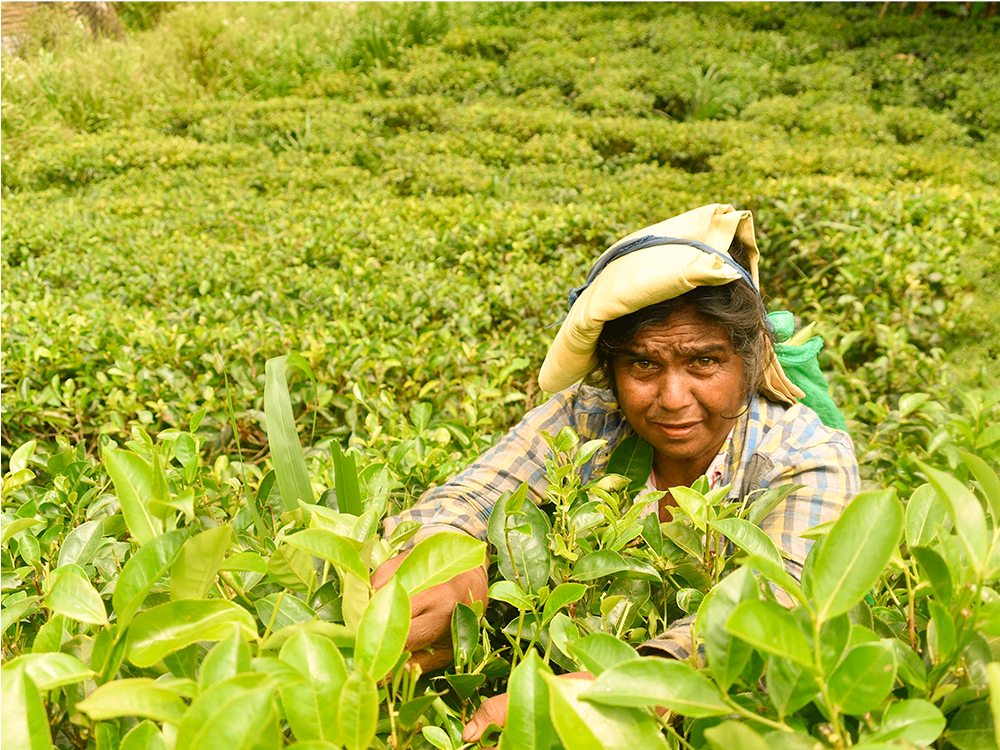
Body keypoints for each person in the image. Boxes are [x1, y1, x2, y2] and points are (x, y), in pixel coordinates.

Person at [372, 203, 860, 740]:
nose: (673, 400)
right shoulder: (588, 416)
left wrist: (626, 688)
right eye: (643, 365)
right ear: (612, 370)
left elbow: (782, 602)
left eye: (703, 362)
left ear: (748, 362)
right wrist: (447, 556)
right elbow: (471, 494)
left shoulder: (806, 456)